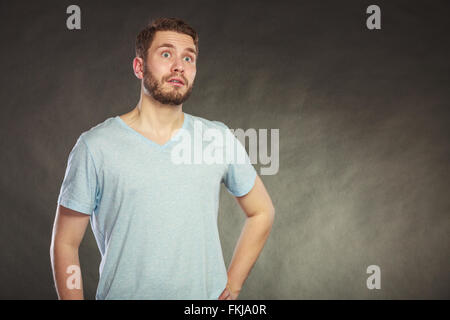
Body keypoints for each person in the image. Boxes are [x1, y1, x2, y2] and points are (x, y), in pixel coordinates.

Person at [50, 17, 275, 300]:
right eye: (166, 54)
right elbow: (65, 243)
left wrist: (233, 284)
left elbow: (262, 212)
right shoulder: (95, 147)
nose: (179, 66)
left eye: (188, 58)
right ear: (139, 66)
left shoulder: (218, 138)